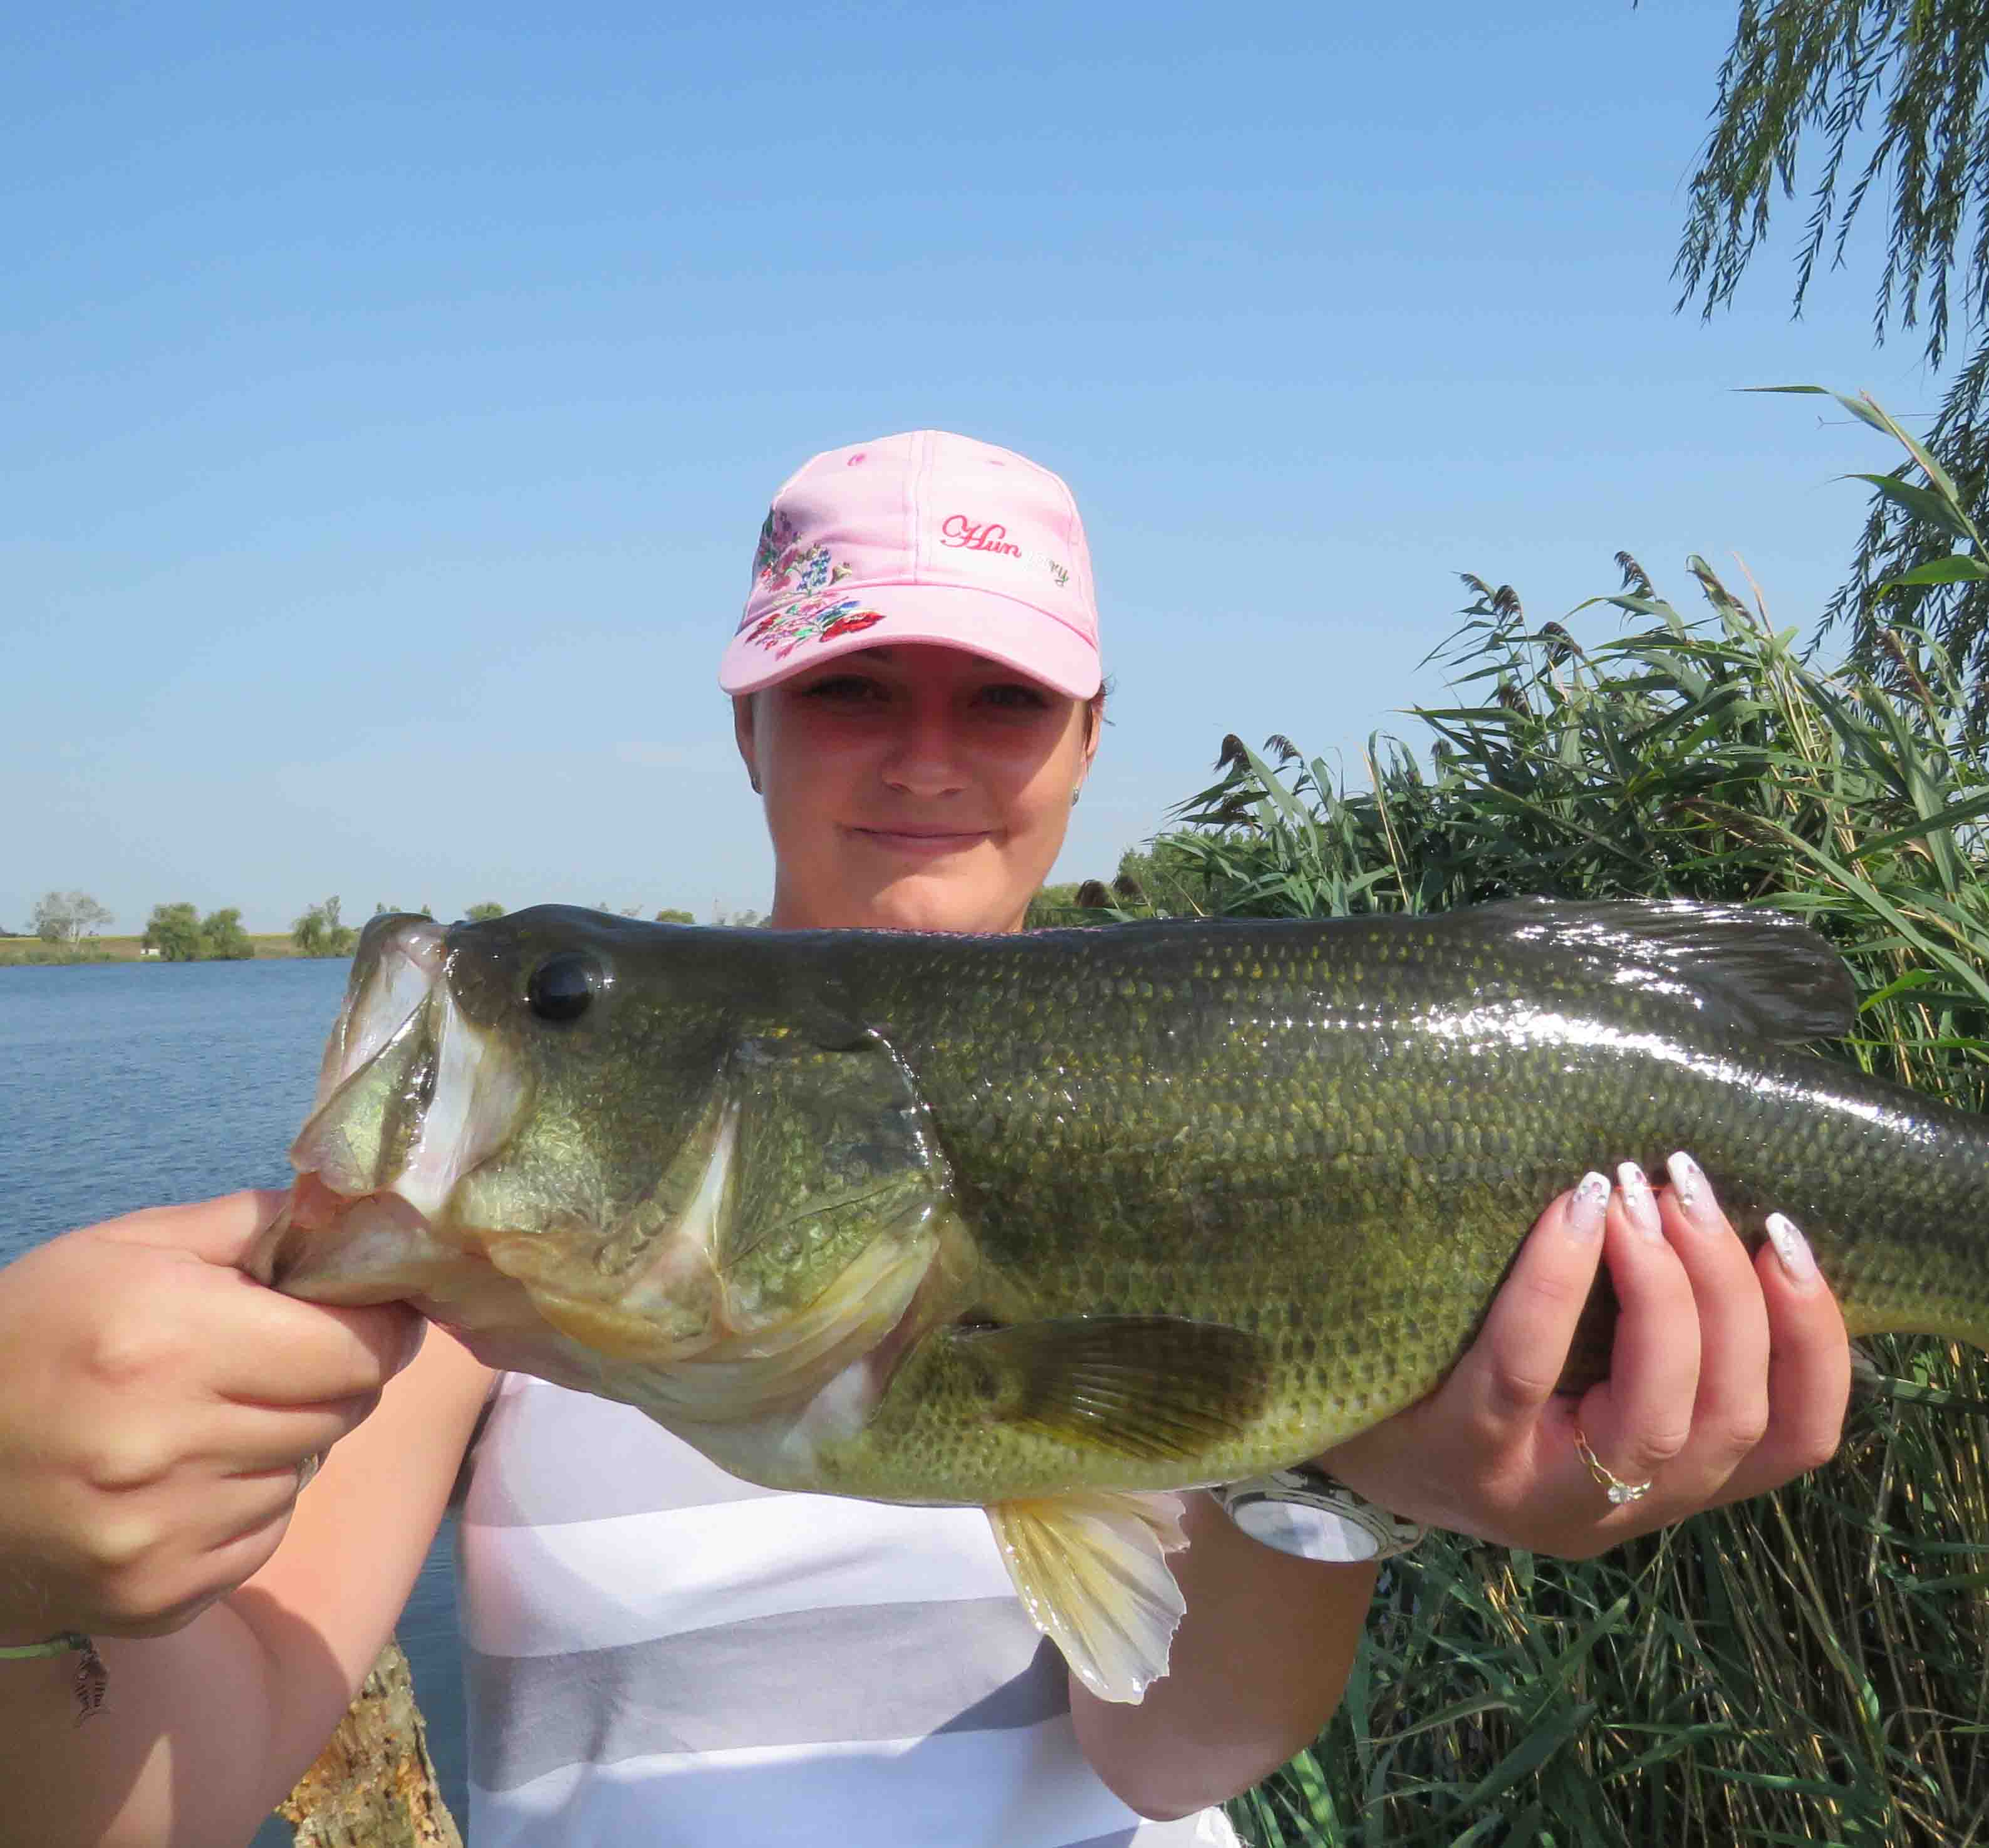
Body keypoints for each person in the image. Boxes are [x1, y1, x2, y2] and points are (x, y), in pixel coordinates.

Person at [0, 431, 1853, 1846]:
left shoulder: (1227, 1108)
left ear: (1084, 739)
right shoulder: (495, 1264)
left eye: (1003, 701)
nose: (924, 756)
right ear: (751, 728)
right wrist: (21, 1588)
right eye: (850, 691)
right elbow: (204, 1755)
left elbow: (1174, 1744)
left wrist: (1355, 1481)